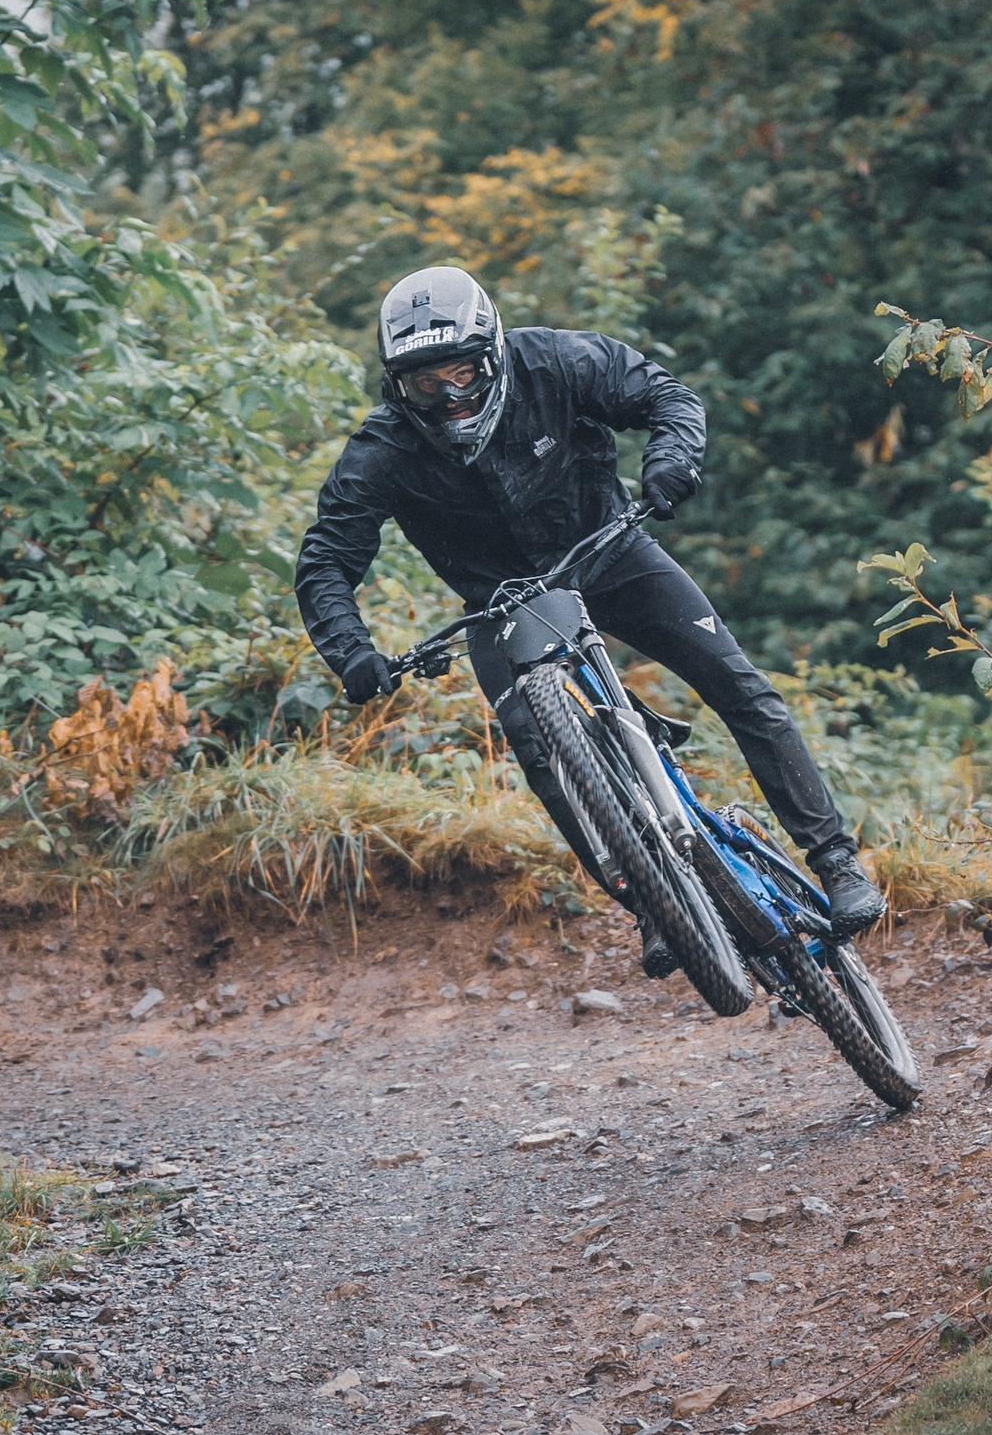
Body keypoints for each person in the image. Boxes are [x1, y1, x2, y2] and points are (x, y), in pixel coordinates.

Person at [292, 265, 886, 976]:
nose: (450, 399)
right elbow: (326, 558)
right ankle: (655, 907)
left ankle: (836, 861)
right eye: (426, 384)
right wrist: (350, 651)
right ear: (398, 385)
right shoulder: (381, 450)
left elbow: (666, 397)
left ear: (494, 354)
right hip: (499, 603)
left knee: (736, 684)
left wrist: (671, 459)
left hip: (611, 552)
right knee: (542, 756)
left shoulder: (559, 362)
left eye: (461, 375)